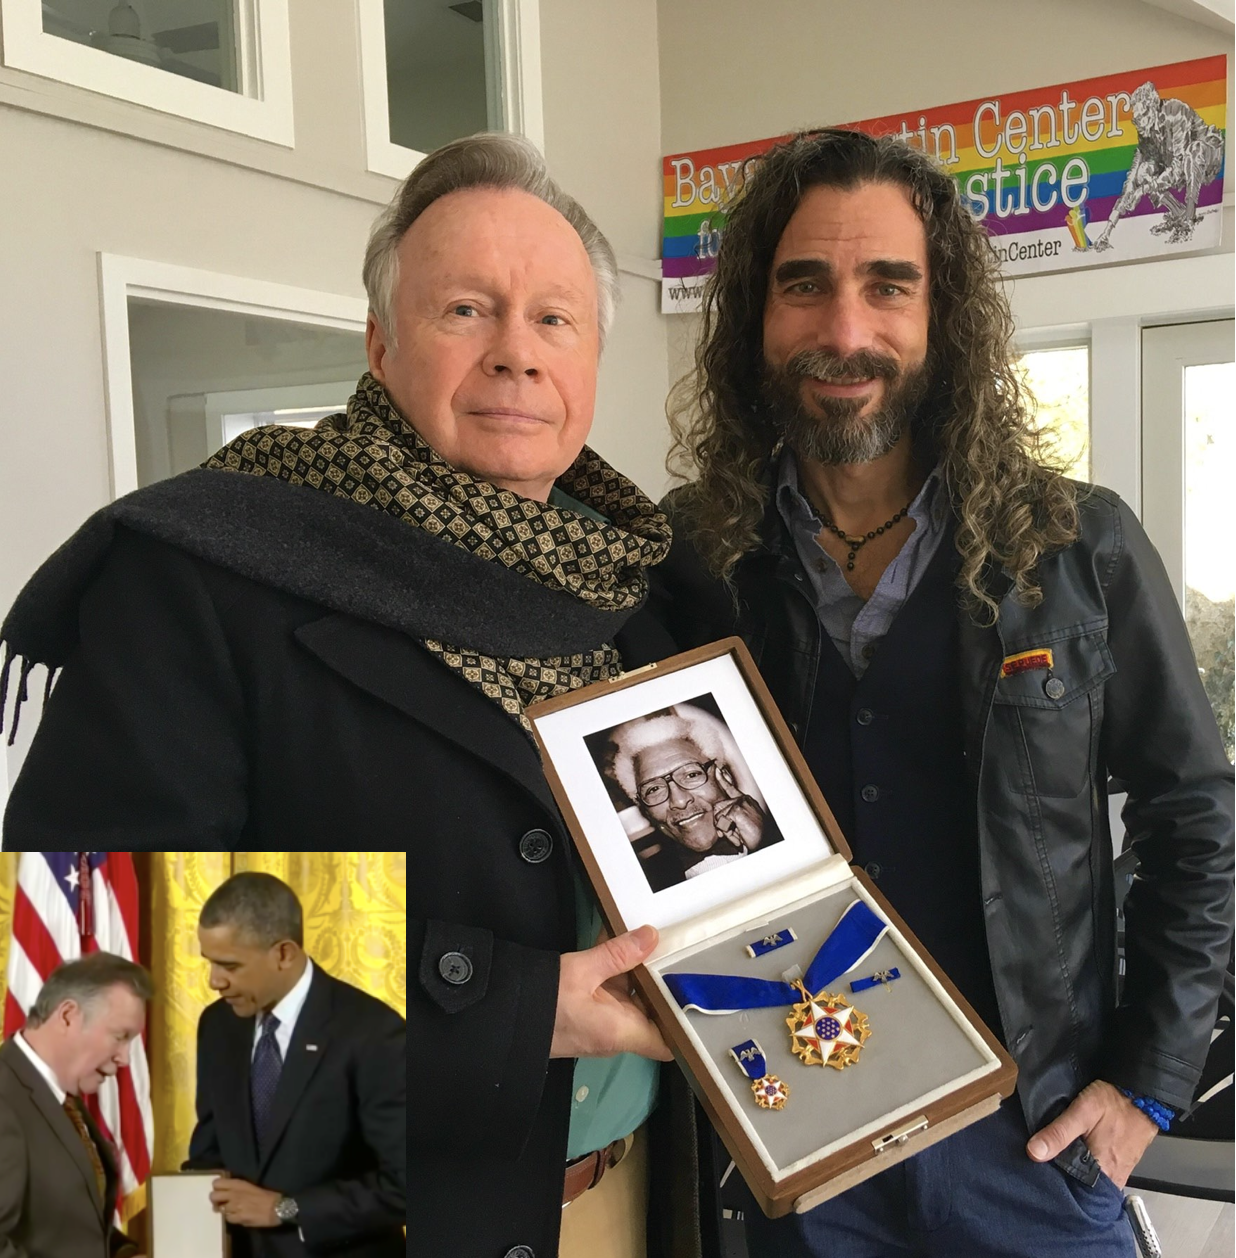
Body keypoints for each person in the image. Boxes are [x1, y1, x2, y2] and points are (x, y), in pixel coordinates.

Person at [0, 133, 699, 1257]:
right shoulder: (198, 572)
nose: (518, 354)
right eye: (467, 309)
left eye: (555, 319)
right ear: (380, 344)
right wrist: (512, 1012)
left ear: (592, 364)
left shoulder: (639, 586)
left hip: (624, 1200)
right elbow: (130, 942)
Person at [654, 128, 1234, 1257]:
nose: (845, 330)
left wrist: (1143, 1091)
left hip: (1036, 1149)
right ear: (754, 317)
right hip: (793, 1153)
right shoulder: (692, 558)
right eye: (804, 285)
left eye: (889, 286)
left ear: (942, 317)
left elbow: (1196, 817)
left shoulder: (1081, 547)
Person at [183, 872, 404, 1258]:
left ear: (283, 953)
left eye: (230, 966)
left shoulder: (374, 1033)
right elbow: (210, 1154)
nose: (214, 981)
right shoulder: (217, 1025)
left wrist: (284, 1209)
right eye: (210, 963)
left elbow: (404, 1183)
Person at [0, 952, 152, 1258]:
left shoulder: (62, 1098)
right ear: (68, 1015)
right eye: (119, 1037)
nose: (124, 1058)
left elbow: (68, 1223)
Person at [603, 702, 778, 889]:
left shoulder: (791, 831)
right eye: (653, 789)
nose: (678, 800)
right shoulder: (644, 892)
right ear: (646, 811)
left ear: (723, 777)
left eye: (691, 774)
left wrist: (765, 844)